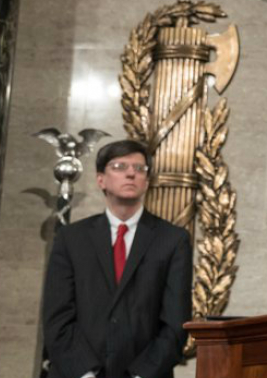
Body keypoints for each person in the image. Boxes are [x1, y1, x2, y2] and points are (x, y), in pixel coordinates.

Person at [42, 139, 192, 378]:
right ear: (101, 179)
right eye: (120, 167)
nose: (131, 173)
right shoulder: (71, 238)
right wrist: (86, 374)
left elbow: (175, 325)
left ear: (147, 181)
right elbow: (57, 317)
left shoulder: (173, 240)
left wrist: (140, 375)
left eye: (139, 168)